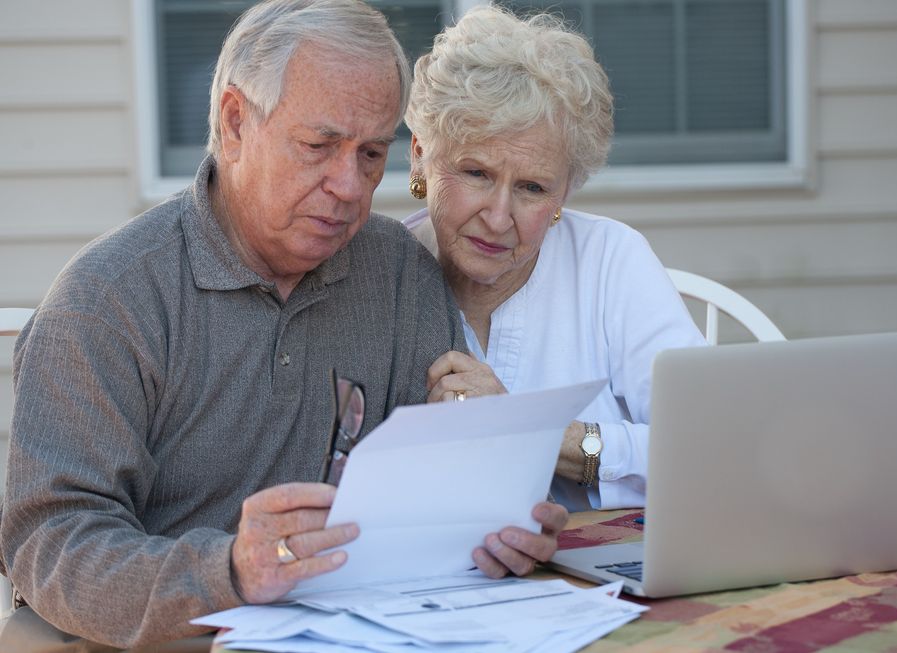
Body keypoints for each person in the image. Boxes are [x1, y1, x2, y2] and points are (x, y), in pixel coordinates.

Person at [0, 1, 566, 650]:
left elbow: (428, 501)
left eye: (372, 153)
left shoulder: (401, 275)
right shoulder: (108, 301)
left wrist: (493, 524)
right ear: (236, 122)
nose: (350, 185)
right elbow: (52, 543)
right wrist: (231, 572)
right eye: (319, 146)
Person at [404, 5, 706, 514]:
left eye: (532, 187)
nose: (499, 217)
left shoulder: (611, 261)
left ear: (566, 191)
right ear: (420, 156)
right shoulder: (379, 277)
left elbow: (710, 445)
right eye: (476, 172)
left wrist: (528, 430)